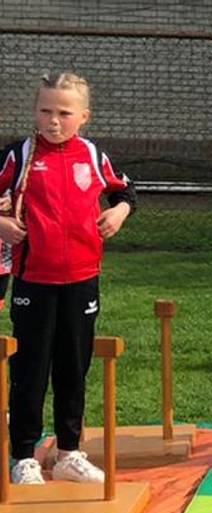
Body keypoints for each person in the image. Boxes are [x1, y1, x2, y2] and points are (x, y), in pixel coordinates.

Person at [0, 72, 136, 486]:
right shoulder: (18, 156)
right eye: (45, 111)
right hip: (33, 281)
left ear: (83, 117)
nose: (53, 120)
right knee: (31, 368)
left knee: (73, 367)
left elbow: (126, 191)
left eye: (64, 112)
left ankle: (69, 452)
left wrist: (119, 212)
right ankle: (23, 455)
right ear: (35, 112)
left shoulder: (93, 156)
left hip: (82, 279)